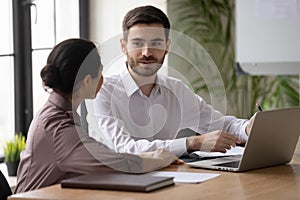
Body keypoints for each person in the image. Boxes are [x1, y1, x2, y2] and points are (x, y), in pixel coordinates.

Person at [15, 38, 178, 193]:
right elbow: (115, 163)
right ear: (87, 81)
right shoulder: (59, 127)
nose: (102, 79)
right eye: (100, 74)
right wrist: (160, 160)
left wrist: (153, 155)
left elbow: (108, 157)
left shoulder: (59, 113)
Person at [94, 5, 256, 157]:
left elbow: (221, 125)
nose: (146, 52)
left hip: (169, 177)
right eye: (137, 43)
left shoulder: (176, 89)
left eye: (156, 43)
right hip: (115, 181)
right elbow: (125, 149)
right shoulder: (103, 91)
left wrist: (247, 128)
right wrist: (193, 142)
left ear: (167, 46)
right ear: (123, 46)